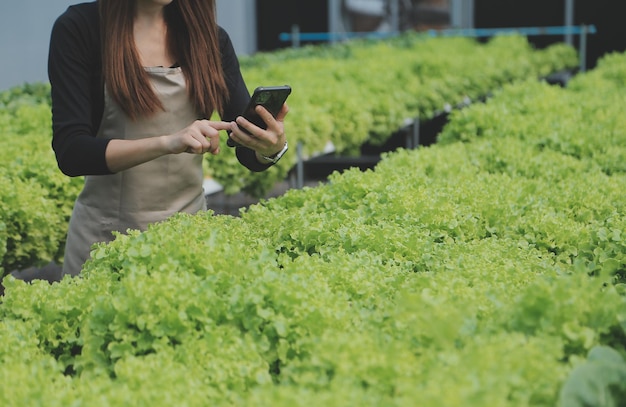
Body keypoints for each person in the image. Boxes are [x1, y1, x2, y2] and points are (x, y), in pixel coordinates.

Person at [48, 0, 290, 277]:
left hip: (189, 240)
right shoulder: (81, 27)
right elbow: (72, 152)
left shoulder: (209, 37)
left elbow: (246, 146)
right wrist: (166, 142)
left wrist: (270, 147)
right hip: (105, 242)